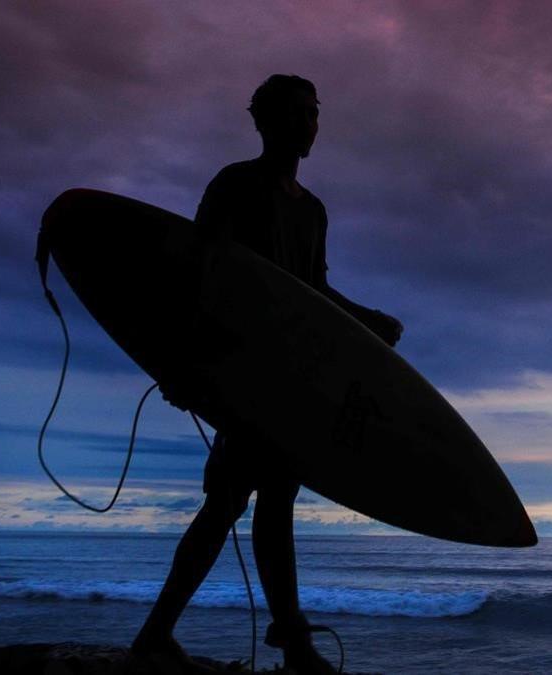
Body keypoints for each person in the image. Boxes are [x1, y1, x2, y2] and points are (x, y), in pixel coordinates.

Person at [130, 75, 402, 674]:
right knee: (241, 502)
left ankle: (265, 635)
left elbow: (313, 291)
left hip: (288, 379)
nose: (311, 124)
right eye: (300, 112)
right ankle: (286, 639)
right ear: (266, 121)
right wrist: (181, 365)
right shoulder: (235, 184)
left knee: (255, 501)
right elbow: (198, 274)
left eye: (315, 112)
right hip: (240, 372)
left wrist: (366, 319)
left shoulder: (314, 212)